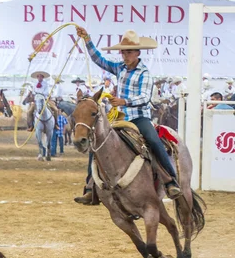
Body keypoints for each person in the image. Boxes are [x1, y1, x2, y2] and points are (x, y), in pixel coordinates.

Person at [73, 27, 182, 205]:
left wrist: (124, 101)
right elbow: (98, 59)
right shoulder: (120, 68)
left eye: (129, 52)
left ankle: (170, 180)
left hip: (139, 118)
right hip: (119, 118)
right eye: (123, 52)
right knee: (97, 144)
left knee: (153, 141)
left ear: (138, 53)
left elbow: (145, 98)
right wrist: (87, 40)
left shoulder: (144, 73)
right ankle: (90, 188)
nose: (125, 55)